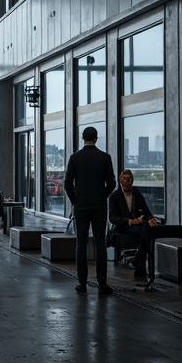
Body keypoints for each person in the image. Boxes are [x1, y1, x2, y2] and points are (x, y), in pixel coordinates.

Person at [64, 126, 116, 295]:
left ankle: (82, 283)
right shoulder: (105, 157)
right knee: (101, 244)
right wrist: (102, 196)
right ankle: (102, 283)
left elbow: (67, 184)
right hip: (99, 206)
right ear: (96, 138)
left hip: (81, 206)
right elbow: (112, 183)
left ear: (82, 138)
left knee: (81, 243)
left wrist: (75, 200)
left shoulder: (75, 158)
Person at [107, 169, 159, 279]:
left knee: (147, 227)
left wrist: (151, 218)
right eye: (124, 179)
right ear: (120, 181)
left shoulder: (137, 193)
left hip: (138, 225)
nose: (126, 182)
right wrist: (130, 221)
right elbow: (112, 218)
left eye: (129, 179)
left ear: (132, 181)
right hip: (124, 226)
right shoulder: (114, 196)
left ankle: (139, 258)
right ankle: (141, 262)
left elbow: (146, 211)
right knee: (146, 230)